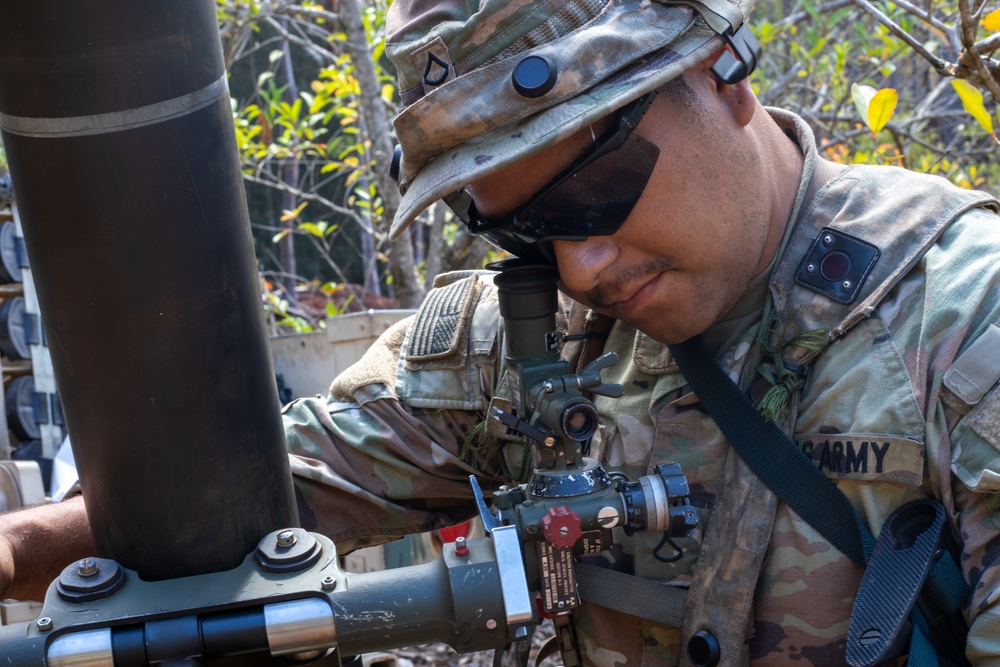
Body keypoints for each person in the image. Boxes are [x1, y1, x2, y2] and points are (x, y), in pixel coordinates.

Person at [3, 0, 1000, 664]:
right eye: (518, 226)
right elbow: (275, 488)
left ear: (719, 73)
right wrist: (19, 552)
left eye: (598, 189)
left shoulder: (961, 327)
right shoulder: (524, 333)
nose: (580, 266)